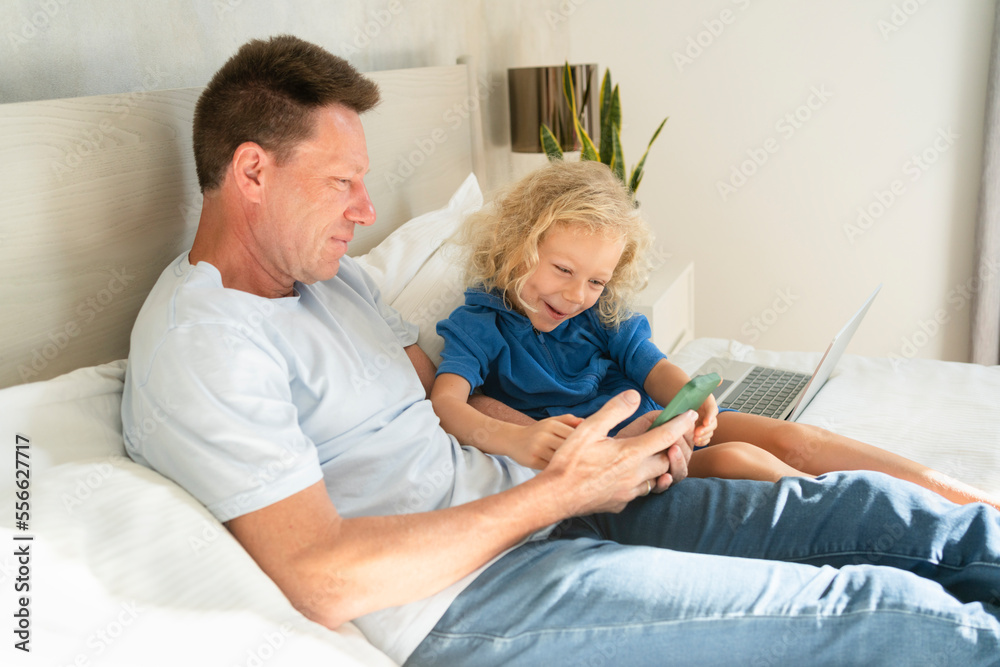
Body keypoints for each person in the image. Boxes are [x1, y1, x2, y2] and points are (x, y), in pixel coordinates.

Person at [121, 35, 1000, 666]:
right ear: (251, 172)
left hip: (548, 507)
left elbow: (438, 398)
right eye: (343, 183)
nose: (364, 210)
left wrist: (570, 451)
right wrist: (557, 488)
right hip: (472, 600)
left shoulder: (332, 283)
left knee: (868, 516)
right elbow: (323, 577)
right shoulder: (207, 343)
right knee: (878, 611)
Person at [430, 160, 1000, 510]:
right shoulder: (481, 324)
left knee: (806, 439)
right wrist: (512, 438)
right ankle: (883, 518)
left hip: (663, 422)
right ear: (515, 247)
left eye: (597, 279)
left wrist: (696, 396)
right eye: (561, 270)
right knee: (742, 462)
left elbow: (653, 365)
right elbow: (448, 401)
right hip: (620, 454)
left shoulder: (598, 315)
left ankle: (968, 500)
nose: (577, 294)